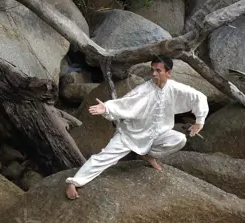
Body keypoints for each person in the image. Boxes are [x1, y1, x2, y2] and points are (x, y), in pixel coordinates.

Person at [65, 55, 208, 200]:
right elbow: (125, 102)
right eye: (152, 70)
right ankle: (74, 183)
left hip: (157, 134)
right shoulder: (144, 90)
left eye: (158, 70)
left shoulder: (176, 88)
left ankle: (148, 154)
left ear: (168, 73)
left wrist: (199, 121)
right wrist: (107, 108)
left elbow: (199, 97)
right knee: (104, 157)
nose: (153, 74)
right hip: (130, 134)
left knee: (179, 139)